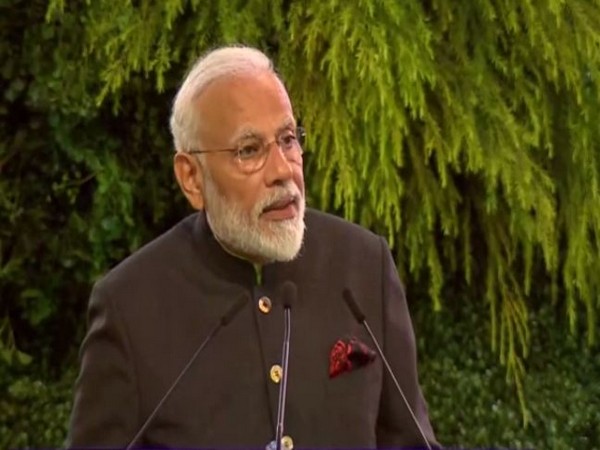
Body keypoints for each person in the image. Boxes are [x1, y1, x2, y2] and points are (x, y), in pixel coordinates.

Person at [67, 45, 438, 449]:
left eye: (288, 139)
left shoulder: (364, 265)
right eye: (249, 151)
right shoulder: (130, 306)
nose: (283, 171)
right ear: (191, 177)